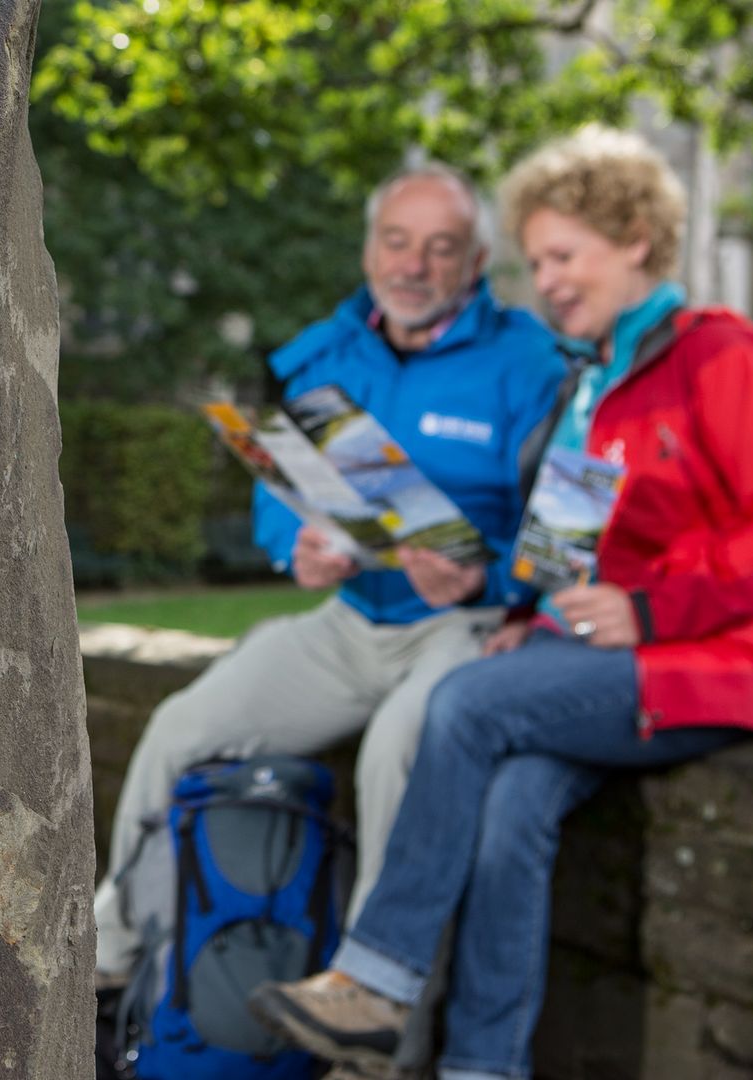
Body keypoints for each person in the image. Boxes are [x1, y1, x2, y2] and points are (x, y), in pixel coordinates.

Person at [249, 125, 753, 1080]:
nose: (548, 281)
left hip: (732, 667)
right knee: (512, 801)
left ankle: (376, 979)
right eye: (534, 263)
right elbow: (562, 550)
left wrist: (648, 609)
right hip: (613, 663)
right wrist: (528, 618)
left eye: (565, 255)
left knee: (462, 704)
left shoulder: (725, 356)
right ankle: (484, 1067)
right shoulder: (593, 387)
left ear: (635, 239)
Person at [94, 164, 566, 981]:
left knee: (396, 755)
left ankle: (368, 1018)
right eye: (396, 242)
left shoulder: (533, 362)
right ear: (370, 249)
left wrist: (489, 582)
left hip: (466, 628)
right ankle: (105, 962)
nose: (413, 265)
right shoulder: (326, 350)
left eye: (440, 248)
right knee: (181, 727)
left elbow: (563, 536)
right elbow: (284, 489)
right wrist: (297, 544)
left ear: (477, 262)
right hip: (349, 622)